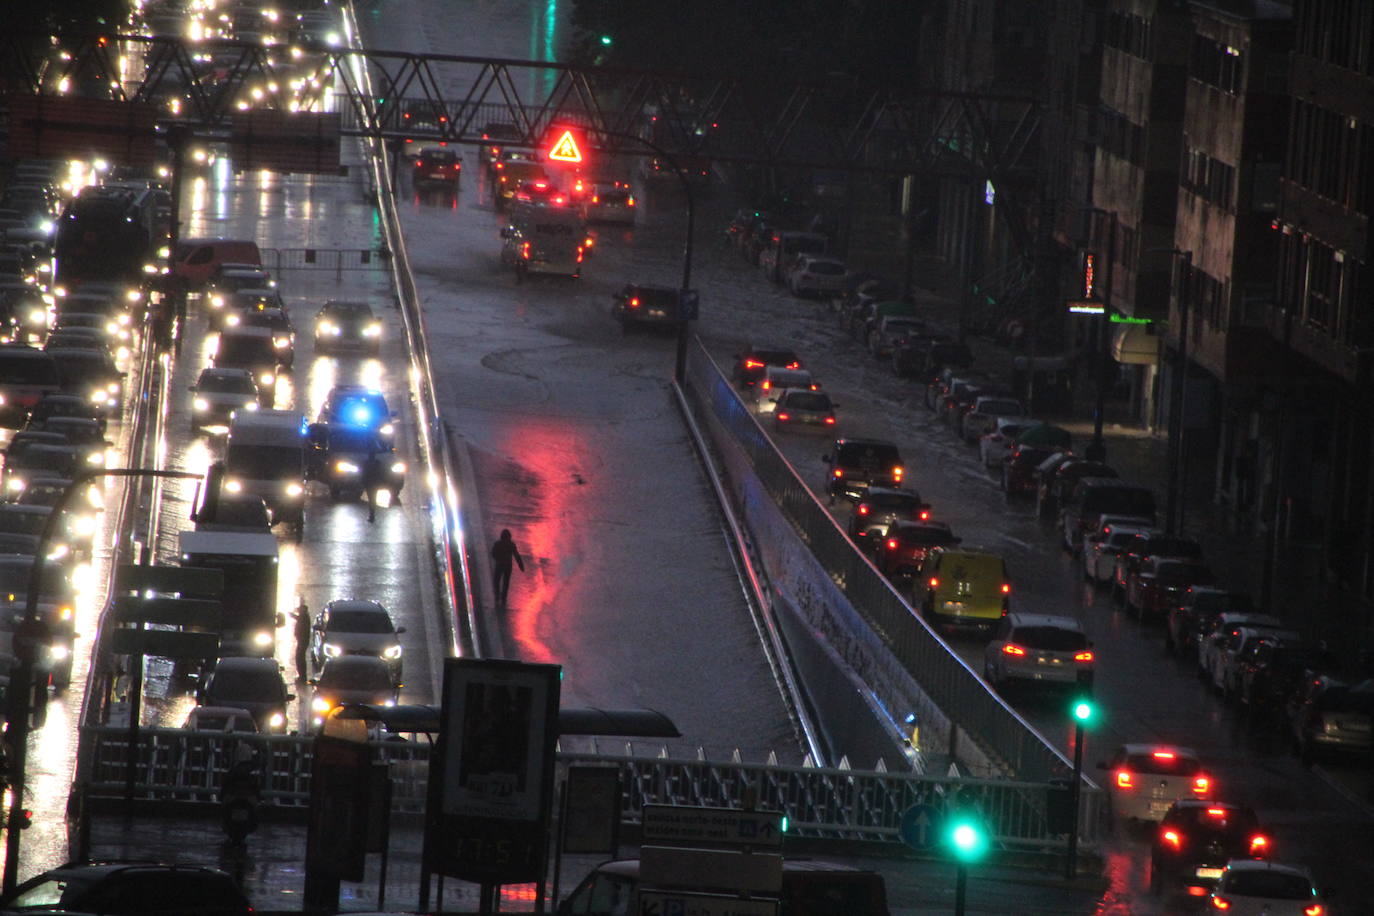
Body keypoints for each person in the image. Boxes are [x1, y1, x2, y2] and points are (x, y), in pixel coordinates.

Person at [490, 529, 525, 606]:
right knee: (506, 582)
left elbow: (493, 553)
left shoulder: (498, 544)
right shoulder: (511, 545)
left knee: (497, 581)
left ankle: (497, 595)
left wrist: (498, 559)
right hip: (508, 566)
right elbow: (517, 556)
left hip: (500, 565)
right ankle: (503, 597)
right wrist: (521, 566)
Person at [362, 449, 385, 523]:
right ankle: (372, 513)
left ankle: (372, 514)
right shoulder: (377, 463)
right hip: (375, 483)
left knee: (371, 498)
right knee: (373, 498)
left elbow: (364, 474)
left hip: (369, 483)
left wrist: (363, 482)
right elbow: (381, 473)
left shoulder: (366, 463)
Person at [293, 601, 311, 683]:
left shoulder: (304, 617)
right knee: (300, 657)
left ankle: (302, 676)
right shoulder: (304, 616)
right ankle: (301, 675)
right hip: (301, 640)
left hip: (302, 640)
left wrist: (292, 616)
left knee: (300, 658)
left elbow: (300, 620)